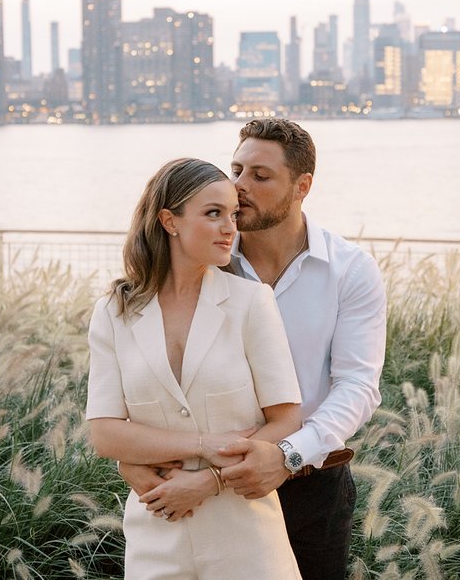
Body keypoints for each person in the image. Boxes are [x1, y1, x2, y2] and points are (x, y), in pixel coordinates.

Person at [118, 121, 389, 580]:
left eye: (260, 176)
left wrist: (287, 454)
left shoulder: (350, 271)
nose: (239, 187)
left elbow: (358, 387)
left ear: (302, 186)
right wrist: (134, 455)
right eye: (237, 169)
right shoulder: (201, 259)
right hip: (201, 486)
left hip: (311, 488)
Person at [85, 157, 304, 579]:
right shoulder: (114, 312)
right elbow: (106, 434)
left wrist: (210, 480)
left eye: (233, 215)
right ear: (170, 221)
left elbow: (287, 419)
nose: (230, 228)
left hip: (246, 540)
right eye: (213, 214)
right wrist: (203, 445)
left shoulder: (251, 302)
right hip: (157, 532)